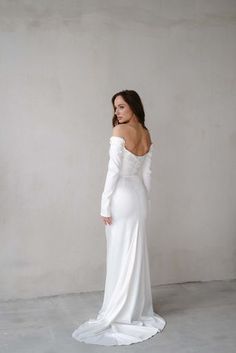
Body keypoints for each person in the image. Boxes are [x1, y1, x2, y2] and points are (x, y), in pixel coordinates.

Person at [72, 90, 166, 346]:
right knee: (134, 253)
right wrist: (145, 202)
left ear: (133, 106)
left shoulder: (119, 133)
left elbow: (113, 172)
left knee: (119, 252)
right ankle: (134, 309)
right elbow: (147, 175)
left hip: (121, 197)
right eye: (115, 108)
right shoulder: (146, 134)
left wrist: (104, 205)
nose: (117, 112)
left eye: (121, 107)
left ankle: (119, 311)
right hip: (137, 197)